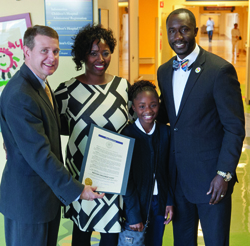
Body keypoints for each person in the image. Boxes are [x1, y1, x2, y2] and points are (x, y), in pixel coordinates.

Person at [0, 25, 104, 246]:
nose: (52, 57)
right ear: (26, 52)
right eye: (44, 51)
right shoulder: (21, 94)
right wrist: (77, 190)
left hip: (44, 199)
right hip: (27, 202)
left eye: (56, 51)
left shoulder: (41, 85)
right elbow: (40, 155)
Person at [157, 8, 245, 246]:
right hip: (178, 180)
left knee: (216, 242)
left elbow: (234, 128)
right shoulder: (164, 71)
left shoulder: (219, 71)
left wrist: (223, 174)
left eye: (184, 30)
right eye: (172, 31)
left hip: (211, 182)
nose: (178, 37)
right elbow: (168, 117)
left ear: (196, 31)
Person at [54, 24, 132, 246]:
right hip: (81, 176)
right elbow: (54, 125)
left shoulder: (123, 87)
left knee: (111, 234)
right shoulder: (67, 90)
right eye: (93, 53)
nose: (101, 58)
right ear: (82, 56)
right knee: (81, 232)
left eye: (105, 52)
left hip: (113, 177)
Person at [121, 81, 174, 246]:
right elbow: (126, 180)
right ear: (134, 108)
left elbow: (170, 170)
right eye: (142, 106)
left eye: (153, 105)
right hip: (136, 203)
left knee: (156, 242)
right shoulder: (127, 135)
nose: (148, 111)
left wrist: (169, 201)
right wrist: (134, 214)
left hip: (160, 202)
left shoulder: (166, 132)